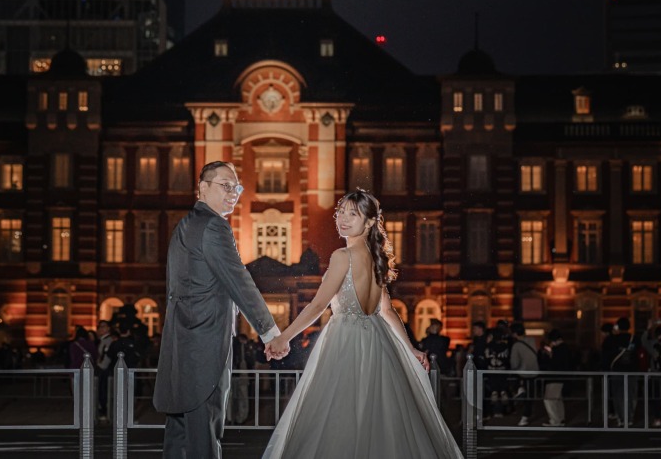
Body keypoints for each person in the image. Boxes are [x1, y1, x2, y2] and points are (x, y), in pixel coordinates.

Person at [263, 190, 462, 459]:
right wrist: (411, 349)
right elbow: (387, 311)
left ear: (369, 222)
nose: (343, 219)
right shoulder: (375, 258)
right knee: (380, 418)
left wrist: (284, 337)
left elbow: (318, 305)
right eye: (340, 212)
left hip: (345, 340)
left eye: (352, 214)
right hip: (378, 341)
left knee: (338, 416)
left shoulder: (342, 256)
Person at [153, 161, 286, 459]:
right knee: (204, 436)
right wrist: (270, 333)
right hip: (204, 349)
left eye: (236, 187)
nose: (233, 193)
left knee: (178, 438)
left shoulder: (185, 225)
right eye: (225, 185)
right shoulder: (214, 226)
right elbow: (241, 282)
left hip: (181, 346)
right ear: (202, 187)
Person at [606, 317, 638, 426]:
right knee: (631, 395)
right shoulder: (634, 339)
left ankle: (621, 418)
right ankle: (629, 418)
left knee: (618, 396)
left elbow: (607, 355)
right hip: (632, 370)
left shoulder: (612, 339)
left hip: (617, 370)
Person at [538, 329, 571, 427]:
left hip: (555, 377)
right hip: (562, 377)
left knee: (549, 399)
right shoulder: (565, 348)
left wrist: (549, 355)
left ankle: (555, 420)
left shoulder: (558, 349)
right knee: (557, 399)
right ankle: (560, 419)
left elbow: (554, 363)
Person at [510, 322, 539, 426]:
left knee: (524, 393)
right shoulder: (532, 341)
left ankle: (519, 389)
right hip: (535, 371)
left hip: (522, 373)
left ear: (514, 334)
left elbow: (514, 363)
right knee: (530, 396)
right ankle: (525, 416)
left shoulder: (516, 345)